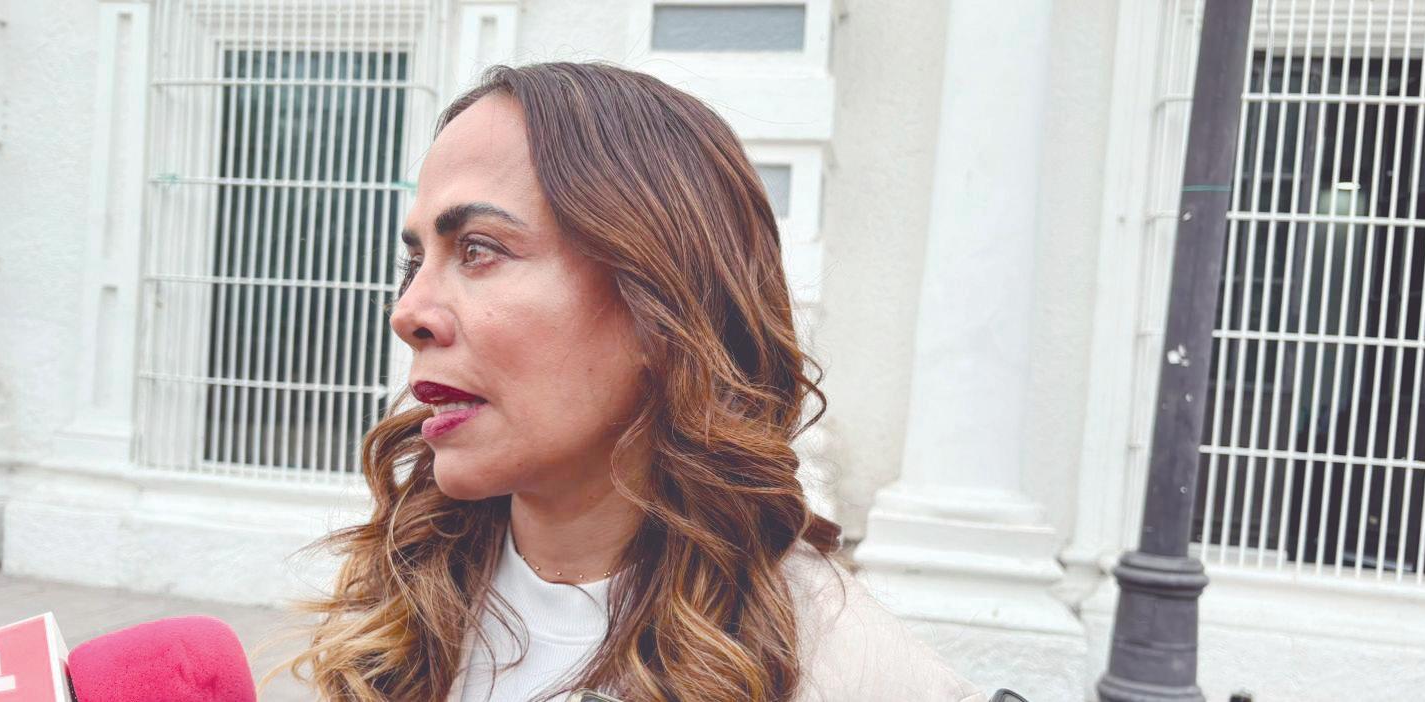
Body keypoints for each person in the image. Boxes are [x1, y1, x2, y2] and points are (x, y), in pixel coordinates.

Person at [275, 61, 984, 702]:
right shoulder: (395, 610)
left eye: (479, 249)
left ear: (660, 306)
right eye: (415, 262)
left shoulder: (853, 674)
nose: (408, 313)